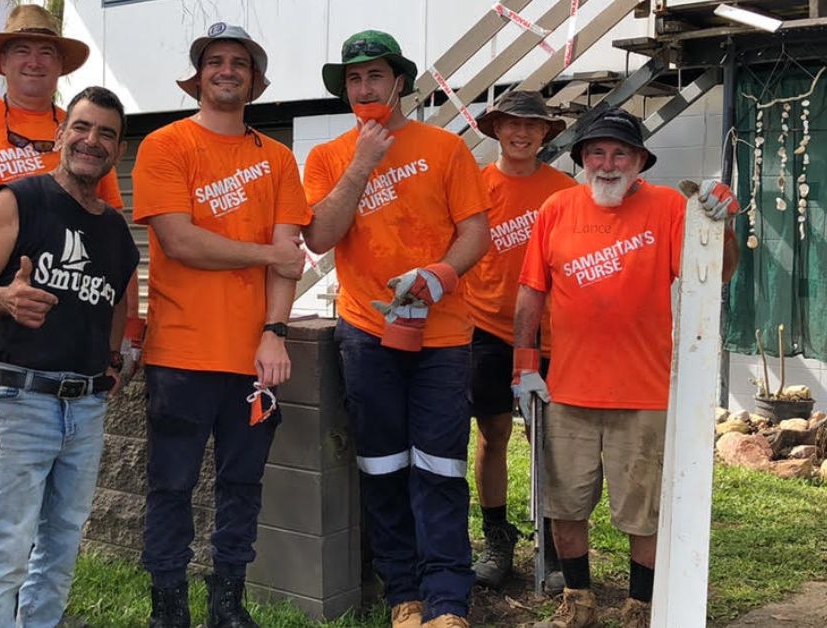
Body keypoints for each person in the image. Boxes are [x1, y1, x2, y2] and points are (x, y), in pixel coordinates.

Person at [0, 7, 138, 625]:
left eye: (46, 52)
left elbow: (112, 270)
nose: (35, 61)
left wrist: (116, 354)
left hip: (68, 374)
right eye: (22, 51)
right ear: (4, 60)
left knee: (52, 537)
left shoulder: (91, 175)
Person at [514, 108, 739, 628]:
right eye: (597, 152)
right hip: (566, 392)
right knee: (564, 506)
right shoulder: (557, 208)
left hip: (645, 392)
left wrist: (722, 225)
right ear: (581, 161)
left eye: (620, 153)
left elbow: (717, 275)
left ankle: (641, 608)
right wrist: (523, 365)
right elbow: (531, 291)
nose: (608, 164)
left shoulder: (668, 207)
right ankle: (579, 602)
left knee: (645, 512)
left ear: (640, 161)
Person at [302, 30, 491, 628]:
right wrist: (363, 160)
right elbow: (320, 236)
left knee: (441, 464)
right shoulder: (329, 157)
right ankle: (401, 593)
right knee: (381, 464)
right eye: (354, 80)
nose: (365, 88)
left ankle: (447, 599)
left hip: (443, 333)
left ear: (400, 82)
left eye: (375, 76)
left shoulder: (445, 148)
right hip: (366, 331)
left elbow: (476, 231)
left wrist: (441, 273)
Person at [131, 22, 311, 628]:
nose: (226, 69)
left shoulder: (279, 158)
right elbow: (180, 242)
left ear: (254, 81)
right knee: (171, 487)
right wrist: (264, 256)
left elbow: (291, 251)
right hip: (180, 353)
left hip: (253, 360)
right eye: (215, 61)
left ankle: (227, 605)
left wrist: (275, 331)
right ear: (198, 77)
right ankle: (168, 607)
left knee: (242, 485)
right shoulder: (165, 144)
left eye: (238, 62)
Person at [0, 85, 139, 627]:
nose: (92, 140)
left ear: (118, 150)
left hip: (85, 406)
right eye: (81, 127)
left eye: (106, 133)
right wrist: (3, 299)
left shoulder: (115, 228)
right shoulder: (19, 199)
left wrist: (114, 358)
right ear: (60, 135)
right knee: (8, 546)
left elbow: (115, 299)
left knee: (63, 541)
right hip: (19, 397)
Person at [466, 91, 575, 591]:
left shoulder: (564, 191)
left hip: (552, 335)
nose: (522, 134)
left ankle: (553, 546)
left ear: (545, 134)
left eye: (533, 126)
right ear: (496, 129)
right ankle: (497, 537)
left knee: (547, 441)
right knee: (492, 436)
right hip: (486, 327)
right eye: (513, 124)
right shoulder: (474, 184)